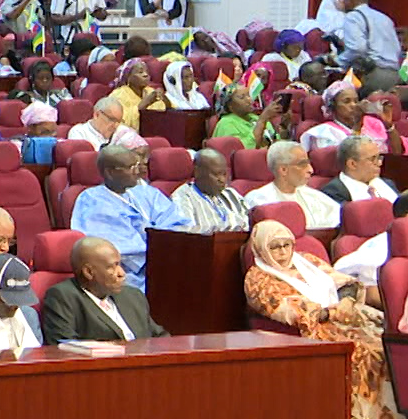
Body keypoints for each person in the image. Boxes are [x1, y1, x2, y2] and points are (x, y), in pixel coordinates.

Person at [244, 219, 405, 419]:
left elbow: (345, 282)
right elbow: (295, 311)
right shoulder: (258, 278)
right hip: (314, 330)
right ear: (262, 249)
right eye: (275, 247)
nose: (283, 252)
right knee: (367, 353)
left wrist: (347, 302)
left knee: (392, 344)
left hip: (346, 316)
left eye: (287, 245)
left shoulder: (306, 260)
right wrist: (336, 310)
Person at [69, 145, 190, 290]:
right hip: (127, 275)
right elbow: (119, 251)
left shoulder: (145, 192)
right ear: (110, 172)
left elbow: (176, 223)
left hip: (163, 263)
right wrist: (159, 253)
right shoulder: (92, 201)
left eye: (138, 166)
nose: (137, 172)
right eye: (131, 167)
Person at [39, 236, 169, 342]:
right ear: (89, 272)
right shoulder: (63, 297)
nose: (121, 273)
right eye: (112, 267)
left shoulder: (133, 295)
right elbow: (64, 348)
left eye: (120, 264)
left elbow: (160, 337)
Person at [242, 141, 341, 230]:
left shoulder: (314, 196)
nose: (311, 170)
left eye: (309, 163)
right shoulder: (258, 200)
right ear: (283, 170)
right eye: (302, 164)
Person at [331, 0, 403, 91]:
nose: (342, 1)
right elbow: (397, 49)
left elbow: (358, 48)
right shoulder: (385, 18)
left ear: (351, 0)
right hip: (395, 76)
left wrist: (339, 61)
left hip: (373, 75)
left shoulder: (353, 17)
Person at [170, 149, 251, 233]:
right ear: (197, 172)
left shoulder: (231, 194)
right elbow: (186, 233)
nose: (222, 180)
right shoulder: (183, 197)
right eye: (216, 174)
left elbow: (250, 220)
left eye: (224, 174)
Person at [302, 81, 389, 154]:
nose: (353, 105)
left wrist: (389, 125)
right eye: (347, 101)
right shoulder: (324, 132)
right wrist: (357, 125)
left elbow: (395, 153)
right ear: (333, 106)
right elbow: (349, 160)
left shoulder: (373, 122)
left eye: (356, 101)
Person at [321, 135, 397, 204]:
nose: (380, 163)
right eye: (373, 159)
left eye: (379, 157)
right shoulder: (334, 192)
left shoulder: (387, 183)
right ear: (352, 164)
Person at [211, 84, 289, 149]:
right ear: (229, 105)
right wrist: (262, 120)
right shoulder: (226, 124)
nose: (249, 100)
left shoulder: (254, 117)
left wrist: (284, 127)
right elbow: (246, 150)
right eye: (242, 97)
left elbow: (274, 139)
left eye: (248, 95)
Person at [105, 59, 164, 133]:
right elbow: (119, 123)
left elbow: (161, 115)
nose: (146, 75)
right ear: (128, 77)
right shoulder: (117, 95)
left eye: (147, 72)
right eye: (140, 72)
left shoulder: (151, 91)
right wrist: (145, 104)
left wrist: (163, 98)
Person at [70, 97, 138, 150]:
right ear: (97, 115)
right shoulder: (79, 132)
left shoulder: (122, 131)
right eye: (112, 119)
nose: (115, 126)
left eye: (119, 121)